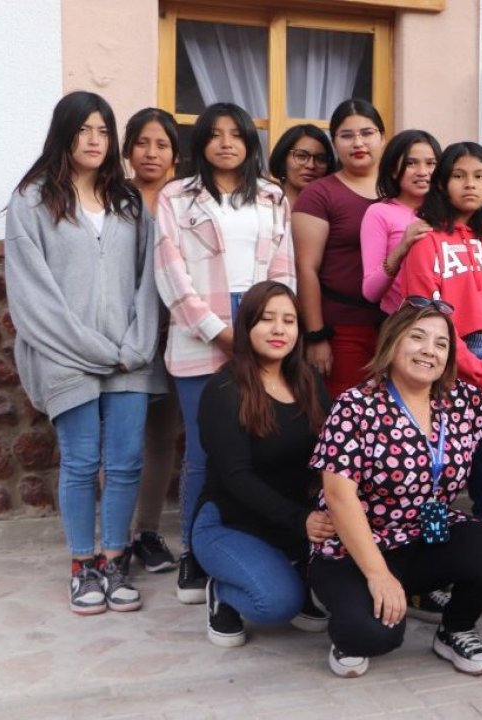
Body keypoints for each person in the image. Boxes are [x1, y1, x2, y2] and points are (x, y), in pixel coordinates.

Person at [307, 298, 482, 678]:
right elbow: (339, 497)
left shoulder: (458, 400)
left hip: (423, 537)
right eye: (417, 337)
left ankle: (454, 629)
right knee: (372, 636)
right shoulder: (355, 406)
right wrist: (378, 575)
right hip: (357, 548)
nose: (429, 350)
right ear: (392, 341)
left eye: (441, 343)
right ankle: (344, 605)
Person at [5, 91, 164, 614]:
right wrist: (93, 347)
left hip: (128, 355)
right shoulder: (32, 201)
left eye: (103, 131)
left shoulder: (128, 201)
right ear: (64, 133)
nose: (95, 140)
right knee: (80, 460)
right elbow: (32, 294)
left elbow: (148, 281)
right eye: (83, 130)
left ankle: (114, 561)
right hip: (66, 354)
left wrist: (136, 344)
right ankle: (82, 565)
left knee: (126, 461)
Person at [155, 102, 295, 605]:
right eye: (215, 134)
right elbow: (170, 271)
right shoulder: (176, 196)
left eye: (236, 134)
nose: (226, 143)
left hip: (261, 323)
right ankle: (195, 550)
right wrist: (218, 331)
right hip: (199, 331)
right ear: (201, 142)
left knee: (263, 442)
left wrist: (273, 326)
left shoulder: (272, 196)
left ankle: (257, 541)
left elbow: (283, 269)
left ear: (250, 142)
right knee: (202, 450)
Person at [396, 141, 482, 619]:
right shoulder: (427, 242)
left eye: (478, 175)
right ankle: (429, 577)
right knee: (435, 478)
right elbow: (430, 322)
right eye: (458, 175)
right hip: (447, 364)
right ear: (442, 183)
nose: (468, 184)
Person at [192, 282, 332, 647]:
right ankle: (222, 592)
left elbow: (334, 449)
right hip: (231, 522)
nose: (278, 329)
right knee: (276, 603)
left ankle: (293, 572)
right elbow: (236, 477)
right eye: (267, 319)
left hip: (291, 520)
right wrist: (301, 521)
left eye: (289, 320)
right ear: (247, 326)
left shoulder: (308, 380)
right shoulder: (224, 390)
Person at [122, 107, 184, 574]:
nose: (151, 153)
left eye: (162, 144)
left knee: (162, 436)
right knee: (121, 439)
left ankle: (146, 532)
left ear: (175, 155)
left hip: (177, 333)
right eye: (142, 143)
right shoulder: (111, 198)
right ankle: (114, 539)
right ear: (127, 150)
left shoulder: (184, 201)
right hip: (121, 336)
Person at [293, 99, 386, 397]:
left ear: (382, 138)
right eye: (347, 135)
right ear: (334, 142)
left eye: (367, 133)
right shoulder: (319, 194)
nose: (358, 143)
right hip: (342, 328)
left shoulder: (400, 190)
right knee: (346, 412)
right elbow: (306, 268)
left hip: (397, 328)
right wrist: (316, 336)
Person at [359, 129, 441, 314]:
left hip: (450, 322)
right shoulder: (379, 213)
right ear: (393, 170)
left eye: (431, 163)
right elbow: (371, 292)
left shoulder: (449, 213)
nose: (423, 172)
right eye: (411, 163)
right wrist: (402, 247)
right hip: (402, 322)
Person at [268, 124, 338, 208]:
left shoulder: (335, 208)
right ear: (283, 158)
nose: (311, 165)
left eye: (320, 159)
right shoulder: (263, 203)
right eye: (301, 156)